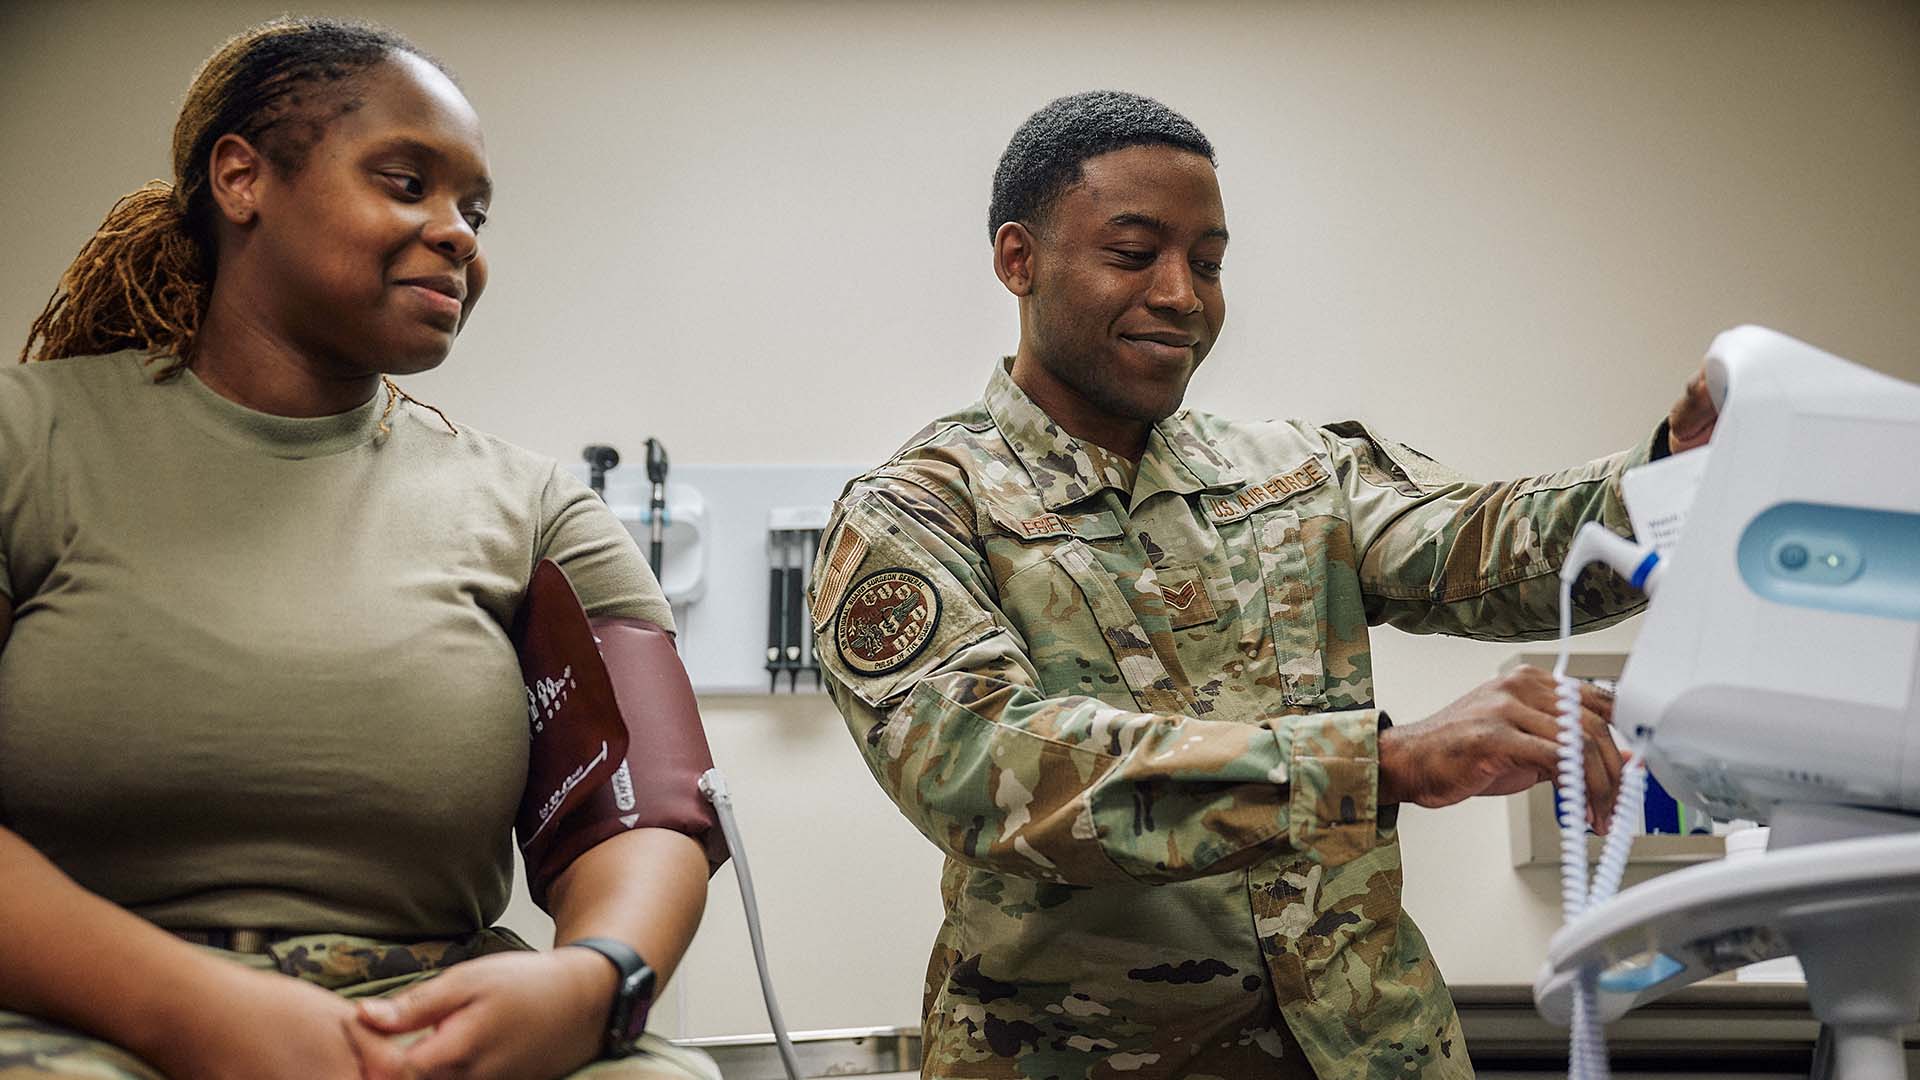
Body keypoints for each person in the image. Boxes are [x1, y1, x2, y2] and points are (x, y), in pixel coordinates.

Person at [809, 90, 1718, 1080]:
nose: (1182, 295)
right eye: (1134, 253)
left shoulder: (1293, 471)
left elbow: (1488, 550)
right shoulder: (919, 509)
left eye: (1208, 263)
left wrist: (1673, 478)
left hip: (1373, 1050)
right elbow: (988, 773)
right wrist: (1379, 765)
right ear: (1018, 259)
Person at [0, 18, 720, 1080]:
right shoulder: (29, 439)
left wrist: (592, 979)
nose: (458, 233)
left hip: (428, 1022)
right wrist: (199, 1014)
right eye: (405, 183)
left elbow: (648, 813)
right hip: (73, 1013)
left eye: (473, 211)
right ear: (242, 179)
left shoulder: (534, 510)